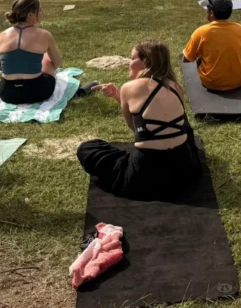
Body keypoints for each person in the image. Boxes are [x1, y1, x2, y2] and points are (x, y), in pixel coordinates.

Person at [77, 41, 202, 199]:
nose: (129, 62)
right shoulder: (175, 86)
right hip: (185, 168)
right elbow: (150, 115)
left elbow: (136, 128)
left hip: (147, 172)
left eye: (132, 58)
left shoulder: (130, 87)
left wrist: (120, 94)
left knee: (88, 148)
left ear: (146, 61)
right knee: (184, 125)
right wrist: (118, 95)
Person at [0, 0, 62, 104]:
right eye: (40, 10)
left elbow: (5, 65)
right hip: (37, 92)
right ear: (30, 14)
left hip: (7, 93)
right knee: (46, 58)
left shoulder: (2, 35)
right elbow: (58, 62)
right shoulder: (44, 35)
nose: (42, 13)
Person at [183, 0, 241, 91]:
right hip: (238, 81)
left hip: (212, 83)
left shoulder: (201, 32)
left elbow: (187, 59)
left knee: (200, 60)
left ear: (211, 13)